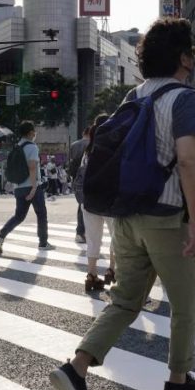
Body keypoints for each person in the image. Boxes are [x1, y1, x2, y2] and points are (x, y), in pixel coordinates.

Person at [49, 17, 195, 390]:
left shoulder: (133, 96)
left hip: (126, 217)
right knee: (185, 303)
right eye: (191, 51)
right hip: (167, 217)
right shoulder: (184, 98)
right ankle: (179, 378)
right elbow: (188, 160)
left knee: (125, 301)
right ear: (184, 57)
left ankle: (78, 366)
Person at [0, 121, 56, 254]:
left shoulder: (18, 146)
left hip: (18, 186)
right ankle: (43, 243)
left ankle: (1, 234)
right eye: (34, 131)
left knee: (19, 216)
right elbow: (32, 167)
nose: (35, 133)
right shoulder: (32, 147)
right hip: (31, 186)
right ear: (30, 133)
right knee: (41, 214)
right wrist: (34, 187)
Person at [79, 114, 116, 292]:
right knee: (116, 238)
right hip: (110, 201)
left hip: (89, 201)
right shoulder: (115, 146)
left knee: (93, 240)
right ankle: (112, 270)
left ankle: (91, 275)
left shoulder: (88, 151)